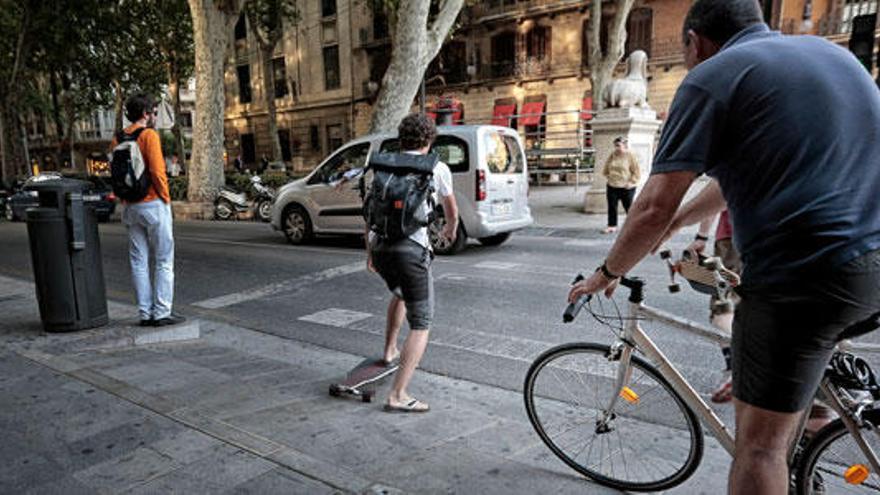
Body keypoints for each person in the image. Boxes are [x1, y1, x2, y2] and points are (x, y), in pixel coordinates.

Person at [567, 1, 880, 493]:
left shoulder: (713, 76)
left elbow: (650, 205)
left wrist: (604, 274)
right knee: (786, 377)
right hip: (869, 264)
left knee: (758, 450)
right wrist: (679, 223)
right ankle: (811, 450)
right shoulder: (832, 55)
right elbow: (730, 179)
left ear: (695, 42)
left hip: (807, 275)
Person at [366, 114, 458, 413]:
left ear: (400, 138)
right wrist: (450, 230)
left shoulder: (381, 164)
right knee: (422, 323)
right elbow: (450, 209)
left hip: (380, 246)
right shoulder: (436, 167)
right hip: (411, 250)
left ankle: (390, 349)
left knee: (400, 293)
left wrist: (369, 252)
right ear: (429, 140)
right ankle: (398, 394)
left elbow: (369, 212)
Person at [113, 94, 185, 327]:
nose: (154, 116)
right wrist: (166, 198)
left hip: (130, 207)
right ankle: (162, 312)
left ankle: (145, 313)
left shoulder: (117, 139)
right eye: (153, 112)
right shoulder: (148, 135)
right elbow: (157, 171)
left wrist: (125, 198)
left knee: (138, 260)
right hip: (153, 203)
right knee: (164, 259)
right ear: (145, 113)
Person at [685, 210, 739, 403]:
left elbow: (717, 192)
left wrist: (701, 236)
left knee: (721, 310)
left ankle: (739, 368)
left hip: (736, 235)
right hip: (779, 233)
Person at [600, 136, 641, 234]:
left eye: (618, 146)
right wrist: (608, 176)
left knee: (629, 207)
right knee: (612, 206)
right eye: (615, 146)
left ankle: (634, 226)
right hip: (612, 185)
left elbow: (637, 172)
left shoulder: (630, 155)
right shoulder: (613, 155)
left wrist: (631, 182)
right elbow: (606, 168)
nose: (616, 148)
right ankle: (612, 226)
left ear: (625, 146)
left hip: (626, 186)